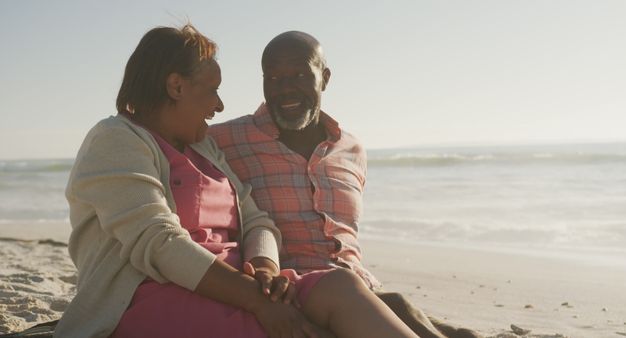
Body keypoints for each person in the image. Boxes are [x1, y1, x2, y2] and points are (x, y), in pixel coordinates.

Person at [54, 24, 418, 338]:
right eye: (212, 89)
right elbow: (159, 242)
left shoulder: (205, 148)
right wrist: (256, 300)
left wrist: (265, 269)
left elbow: (257, 220)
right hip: (156, 292)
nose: (220, 106)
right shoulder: (116, 139)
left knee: (343, 288)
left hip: (241, 286)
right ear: (176, 87)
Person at [209, 31, 482, 338]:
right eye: (273, 78)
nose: (285, 89)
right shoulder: (222, 141)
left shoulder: (351, 148)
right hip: (287, 292)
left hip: (358, 290)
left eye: (299, 75)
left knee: (425, 318)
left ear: (324, 78)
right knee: (405, 310)